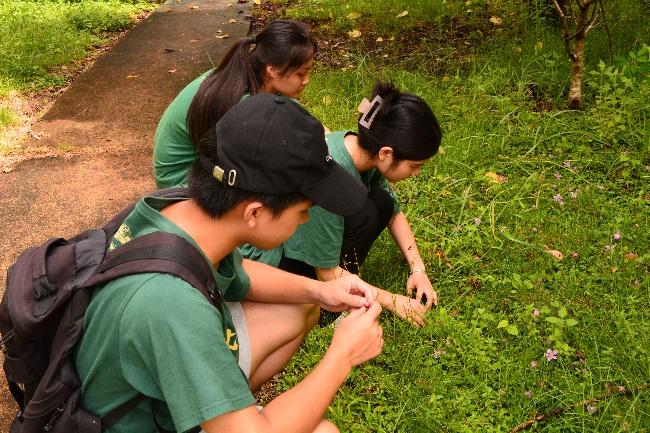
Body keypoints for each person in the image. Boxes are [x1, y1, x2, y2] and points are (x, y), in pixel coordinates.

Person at [74, 94, 383, 433]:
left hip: (149, 385)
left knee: (301, 306)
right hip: (142, 421)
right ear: (255, 213)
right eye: (303, 211)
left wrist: (321, 290)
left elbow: (239, 271)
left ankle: (225, 406)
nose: (306, 220)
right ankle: (229, 416)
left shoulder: (178, 209)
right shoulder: (172, 303)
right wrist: (343, 356)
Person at [241, 82, 442, 327]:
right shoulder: (329, 180)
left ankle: (346, 286)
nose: (416, 174)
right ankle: (330, 309)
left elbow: (394, 211)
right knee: (367, 213)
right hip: (273, 263)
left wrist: (418, 270)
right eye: (414, 166)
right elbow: (326, 273)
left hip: (297, 238)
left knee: (381, 203)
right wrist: (394, 302)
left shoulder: (360, 148)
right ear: (386, 153)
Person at [153, 19, 317, 189]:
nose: (306, 81)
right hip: (181, 183)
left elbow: (304, 123)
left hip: (206, 167)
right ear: (273, 70)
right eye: (301, 73)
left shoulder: (251, 75)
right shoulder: (241, 105)